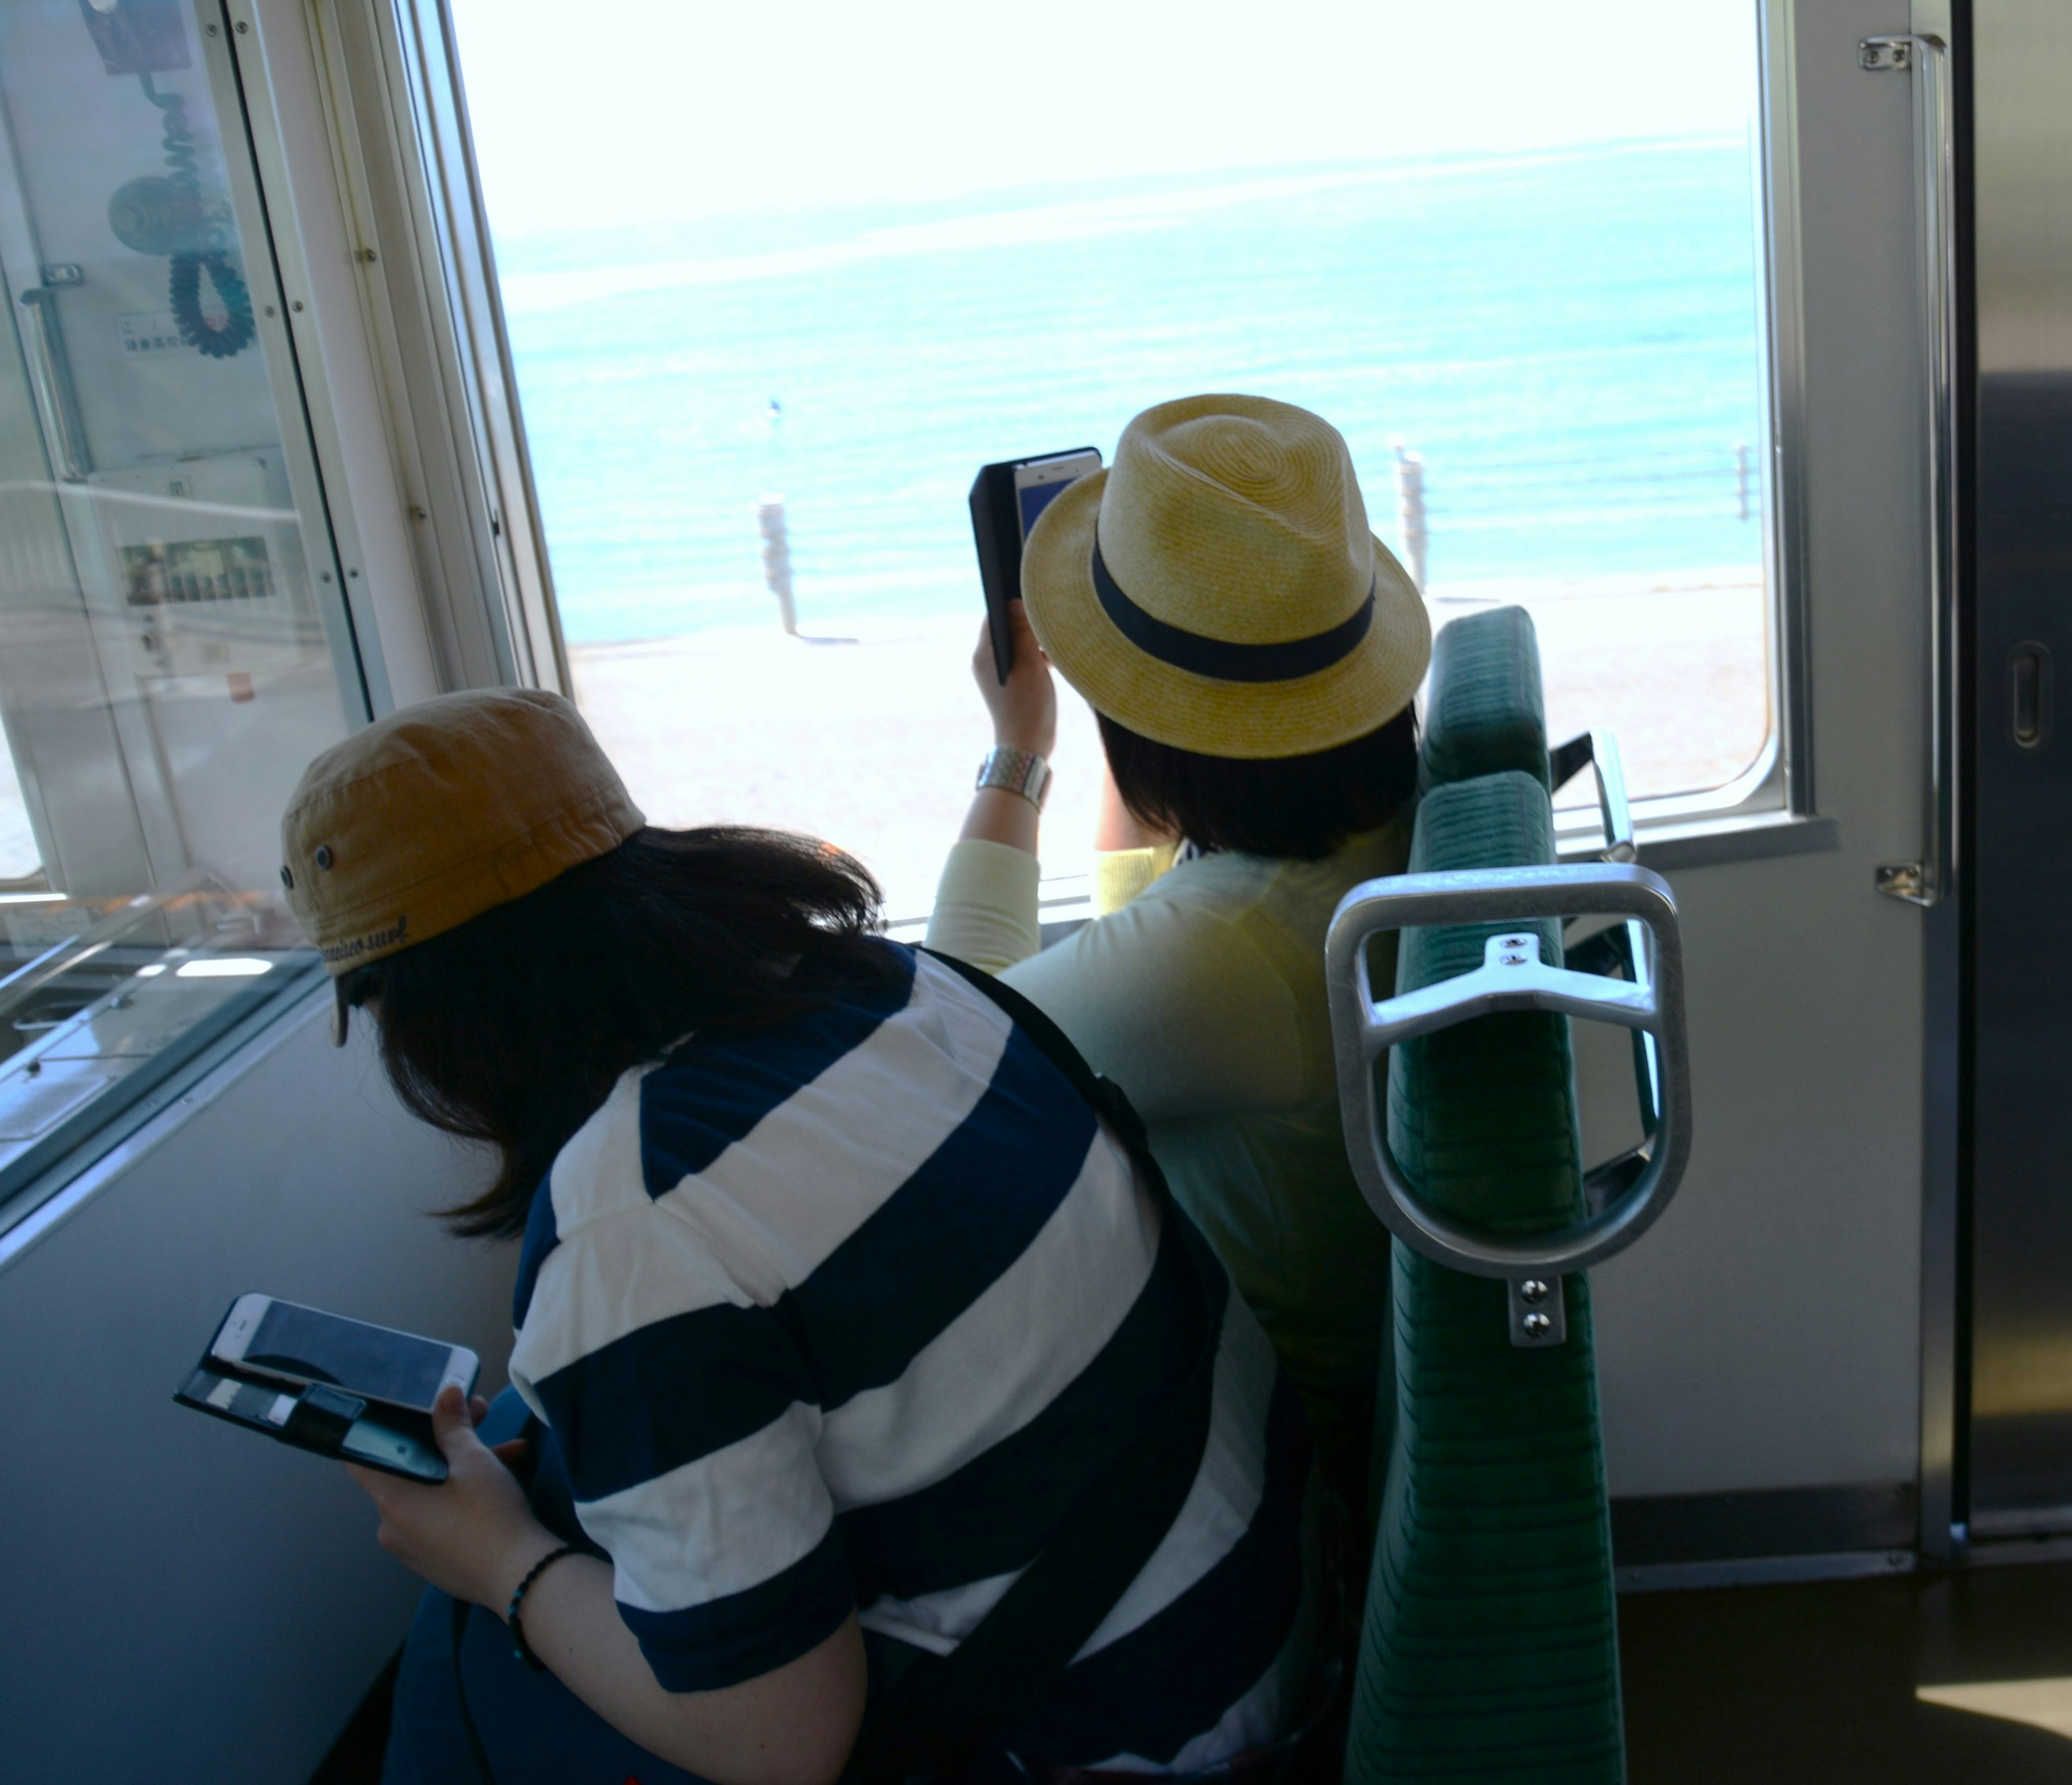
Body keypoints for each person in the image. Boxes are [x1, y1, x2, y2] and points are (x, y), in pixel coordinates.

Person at [284, 688, 1310, 1785]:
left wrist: (498, 1564)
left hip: (1128, 1741)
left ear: (434, 1016)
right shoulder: (907, 984)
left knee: (463, 1662)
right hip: (1265, 1603)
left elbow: (781, 1748)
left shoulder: (635, 1221)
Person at [924, 394, 1428, 1461]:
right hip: (1305, 1383)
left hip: (1246, 1452)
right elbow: (1147, 917)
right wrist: (1149, 705)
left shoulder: (1224, 956)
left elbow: (941, 1055)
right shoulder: (1365, 826)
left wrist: (1020, 745)